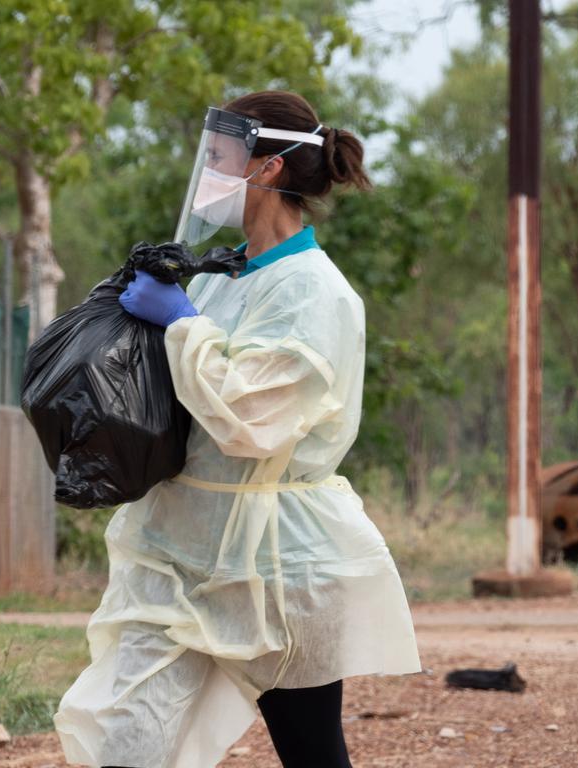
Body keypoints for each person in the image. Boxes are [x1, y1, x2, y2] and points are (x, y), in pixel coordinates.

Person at [54, 91, 421, 768]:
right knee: (126, 739)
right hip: (178, 550)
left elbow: (252, 418)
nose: (207, 172)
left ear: (268, 169)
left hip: (279, 563)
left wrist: (182, 322)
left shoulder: (316, 292)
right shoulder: (221, 275)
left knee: (312, 752)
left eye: (220, 157)